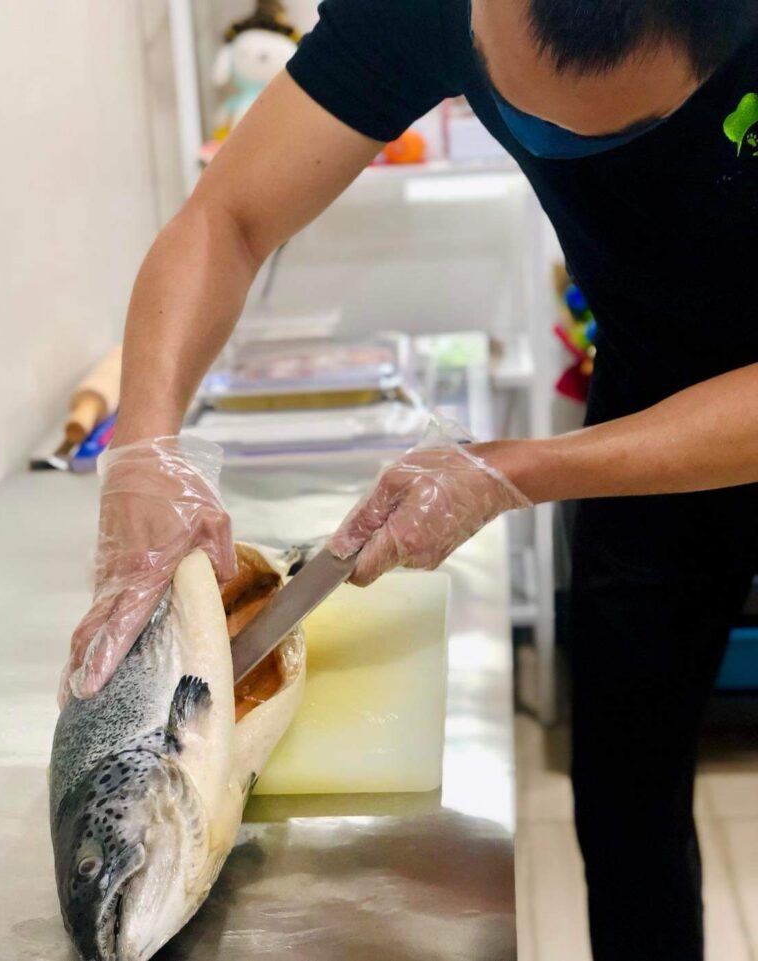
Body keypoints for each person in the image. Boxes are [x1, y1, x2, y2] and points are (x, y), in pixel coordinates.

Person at [60, 1, 758, 958]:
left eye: (622, 129)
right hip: (644, 397)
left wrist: (521, 469)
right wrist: (143, 442)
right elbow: (229, 216)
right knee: (625, 790)